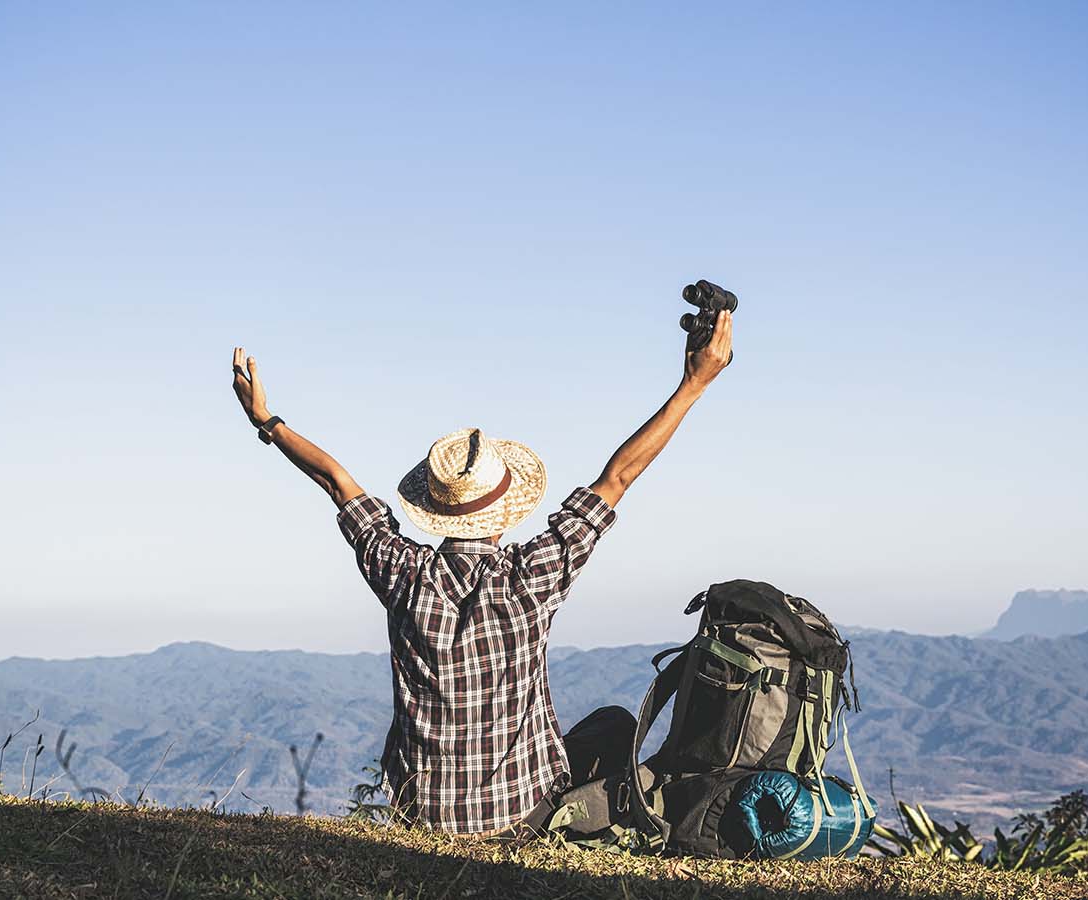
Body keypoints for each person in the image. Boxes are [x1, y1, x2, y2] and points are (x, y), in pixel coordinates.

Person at [228, 310, 733, 834]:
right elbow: (619, 476)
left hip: (420, 813)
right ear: (506, 507)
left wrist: (265, 420)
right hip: (521, 816)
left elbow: (335, 481)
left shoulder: (400, 571)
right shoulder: (533, 576)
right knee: (615, 725)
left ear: (437, 508)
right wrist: (693, 384)